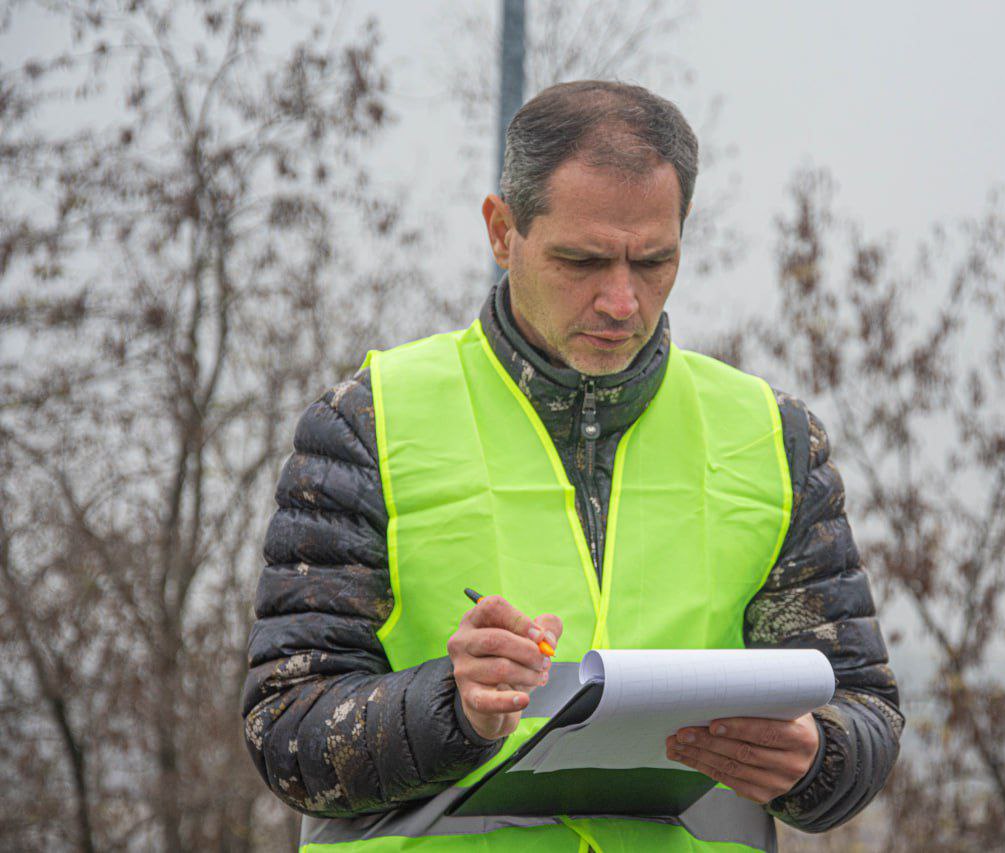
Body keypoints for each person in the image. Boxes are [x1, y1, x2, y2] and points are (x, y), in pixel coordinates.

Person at [242, 80, 903, 852]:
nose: (621, 301)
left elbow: (862, 710)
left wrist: (818, 760)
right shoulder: (368, 424)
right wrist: (453, 707)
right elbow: (286, 729)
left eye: (653, 260)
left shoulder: (775, 441)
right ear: (502, 231)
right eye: (582, 260)